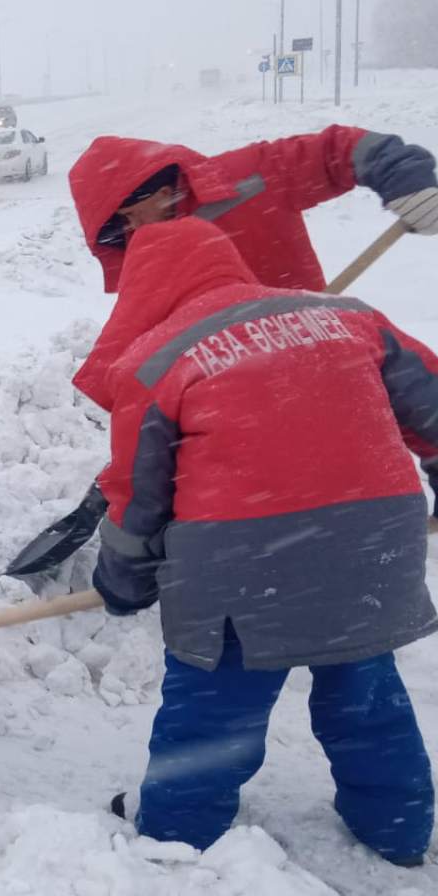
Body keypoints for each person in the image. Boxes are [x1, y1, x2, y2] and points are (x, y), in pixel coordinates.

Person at [92, 217, 437, 866]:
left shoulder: (156, 358)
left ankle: (176, 839)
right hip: (373, 540)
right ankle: (397, 826)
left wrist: (124, 577)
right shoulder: (347, 316)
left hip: (241, 558)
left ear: (145, 286)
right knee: (364, 686)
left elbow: (137, 495)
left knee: (215, 709)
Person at [68, 125, 438, 410]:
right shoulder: (145, 247)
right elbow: (138, 327)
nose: (131, 232)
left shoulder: (249, 179)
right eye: (120, 228)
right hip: (224, 382)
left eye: (131, 216)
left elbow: (336, 149)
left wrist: (403, 175)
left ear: (161, 193)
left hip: (311, 342)